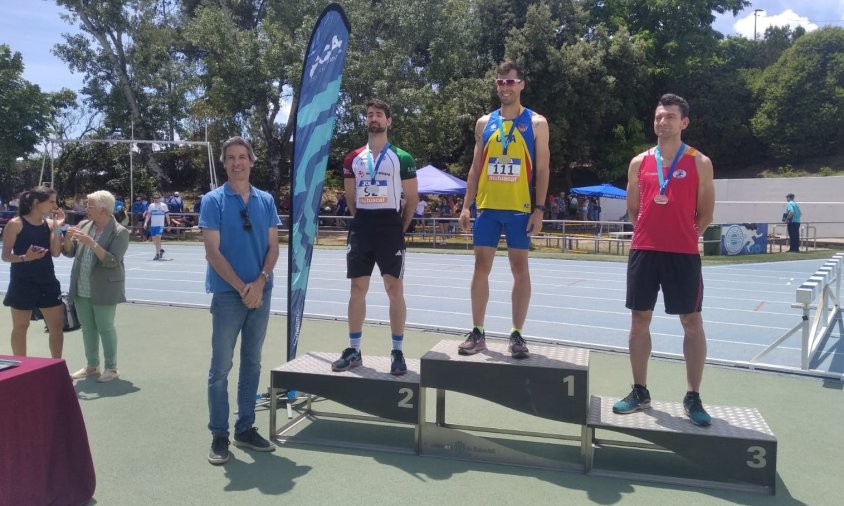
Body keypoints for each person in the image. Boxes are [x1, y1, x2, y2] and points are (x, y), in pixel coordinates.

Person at [612, 93, 715, 427]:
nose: (663, 121)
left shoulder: (700, 162)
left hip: (683, 254)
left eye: (670, 117)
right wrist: (650, 232)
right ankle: (640, 391)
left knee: (691, 322)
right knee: (639, 319)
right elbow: (633, 208)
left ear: (684, 122)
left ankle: (693, 395)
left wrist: (681, 234)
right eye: (659, 116)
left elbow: (705, 214)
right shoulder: (639, 162)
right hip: (644, 250)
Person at [457, 61, 550, 359]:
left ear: (521, 84)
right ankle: (478, 331)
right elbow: (475, 167)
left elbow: (544, 168)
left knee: (519, 270)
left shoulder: (536, 123)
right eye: (500, 82)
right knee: (480, 268)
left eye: (511, 82)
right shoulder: (484, 123)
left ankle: (517, 335)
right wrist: (466, 206)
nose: (505, 87)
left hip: (519, 208)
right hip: (487, 207)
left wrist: (539, 208)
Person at [200, 136, 280, 465]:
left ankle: (245, 427)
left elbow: (273, 247)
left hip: (261, 291)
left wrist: (259, 282)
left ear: (251, 160)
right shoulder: (212, 200)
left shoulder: (266, 200)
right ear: (224, 162)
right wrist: (242, 287)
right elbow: (212, 252)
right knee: (220, 368)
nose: (237, 163)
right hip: (227, 295)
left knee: (252, 362)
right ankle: (220, 434)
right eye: (231, 157)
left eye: (242, 157)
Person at [333, 98, 419, 376]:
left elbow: (412, 198)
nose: (374, 118)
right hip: (362, 226)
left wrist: (399, 227)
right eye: (370, 114)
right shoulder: (353, 158)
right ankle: (354, 349)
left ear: (388, 121)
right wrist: (362, 219)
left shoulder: (402, 158)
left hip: (389, 226)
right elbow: (350, 195)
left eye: (379, 114)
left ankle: (397, 350)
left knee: (394, 290)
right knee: (357, 289)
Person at [63, 191, 130, 382]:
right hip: (81, 287)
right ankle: (92, 365)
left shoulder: (120, 232)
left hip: (104, 288)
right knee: (87, 328)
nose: (86, 208)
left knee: (105, 327)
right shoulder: (84, 225)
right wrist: (67, 239)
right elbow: (70, 252)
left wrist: (92, 244)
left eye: (89, 205)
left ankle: (111, 367)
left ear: (103, 209)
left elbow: (112, 261)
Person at [1, 187, 66, 358]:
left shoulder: (51, 225)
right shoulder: (16, 224)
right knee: (21, 327)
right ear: (37, 203)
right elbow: (6, 256)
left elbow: (56, 252)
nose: (55, 205)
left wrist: (58, 227)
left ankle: (56, 366)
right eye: (51, 201)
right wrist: (25, 257)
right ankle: (22, 368)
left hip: (47, 282)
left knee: (57, 327)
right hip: (22, 283)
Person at [144, 193, 169, 260]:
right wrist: (146, 223)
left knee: (158, 239)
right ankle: (160, 250)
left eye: (157, 198)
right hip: (153, 225)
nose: (156, 199)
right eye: (154, 198)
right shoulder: (151, 206)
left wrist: (169, 224)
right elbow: (148, 215)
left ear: (160, 198)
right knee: (154, 241)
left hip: (160, 225)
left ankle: (157, 254)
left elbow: (167, 215)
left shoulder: (164, 205)